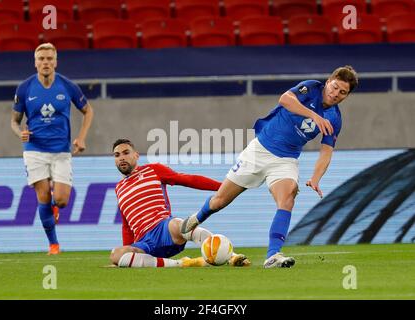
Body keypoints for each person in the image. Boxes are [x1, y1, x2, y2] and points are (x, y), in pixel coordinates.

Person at [181, 66, 359, 268]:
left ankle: (273, 255)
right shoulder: (310, 88)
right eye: (335, 87)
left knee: (288, 198)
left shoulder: (335, 118)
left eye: (342, 92)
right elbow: (284, 99)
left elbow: (326, 151)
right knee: (219, 201)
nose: (335, 94)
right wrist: (315, 116)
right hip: (259, 151)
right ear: (328, 82)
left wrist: (316, 177)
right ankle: (196, 218)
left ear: (347, 96)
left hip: (285, 160)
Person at [109, 139, 251, 268]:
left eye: (126, 153)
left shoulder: (153, 170)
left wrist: (222, 187)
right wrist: (125, 255)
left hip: (165, 229)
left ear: (136, 155)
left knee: (179, 224)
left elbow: (188, 179)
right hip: (144, 243)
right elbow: (127, 225)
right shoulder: (119, 188)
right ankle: (184, 263)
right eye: (117, 155)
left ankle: (232, 257)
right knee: (115, 254)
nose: (121, 157)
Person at [11, 43, 94, 255]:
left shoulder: (67, 86)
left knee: (61, 200)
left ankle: (54, 207)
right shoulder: (25, 88)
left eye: (49, 58)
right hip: (34, 150)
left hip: (61, 151)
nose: (45, 62)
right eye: (41, 59)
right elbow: (14, 121)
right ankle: (54, 245)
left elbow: (88, 110)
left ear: (55, 62)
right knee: (43, 198)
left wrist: (81, 138)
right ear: (35, 62)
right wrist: (19, 132)